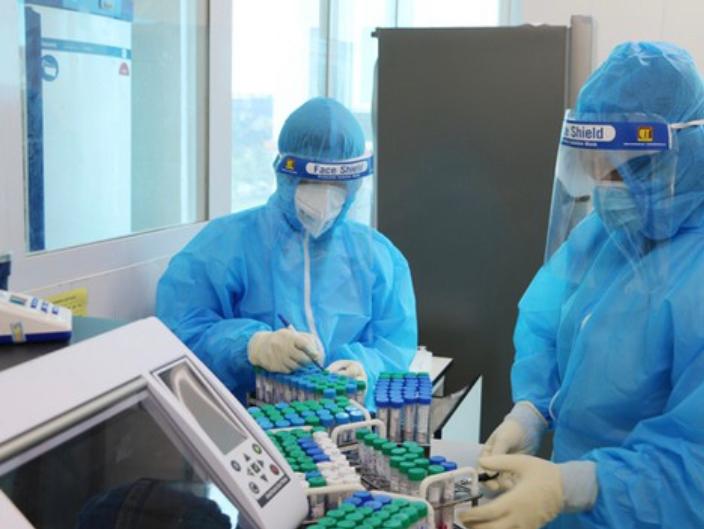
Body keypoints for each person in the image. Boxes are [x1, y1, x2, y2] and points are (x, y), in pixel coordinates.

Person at [460, 42, 704, 529]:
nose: (604, 185)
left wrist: (578, 485)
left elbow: (696, 465)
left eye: (621, 168)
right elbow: (547, 326)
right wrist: (531, 411)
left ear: (680, 156)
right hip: (570, 513)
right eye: (595, 166)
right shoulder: (605, 235)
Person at [156, 97, 417, 408]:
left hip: (349, 419)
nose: (325, 200)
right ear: (285, 175)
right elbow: (180, 328)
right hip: (248, 420)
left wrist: (367, 368)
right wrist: (251, 346)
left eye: (338, 185)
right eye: (310, 182)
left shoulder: (378, 257)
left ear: (355, 184)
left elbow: (395, 342)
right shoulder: (223, 245)